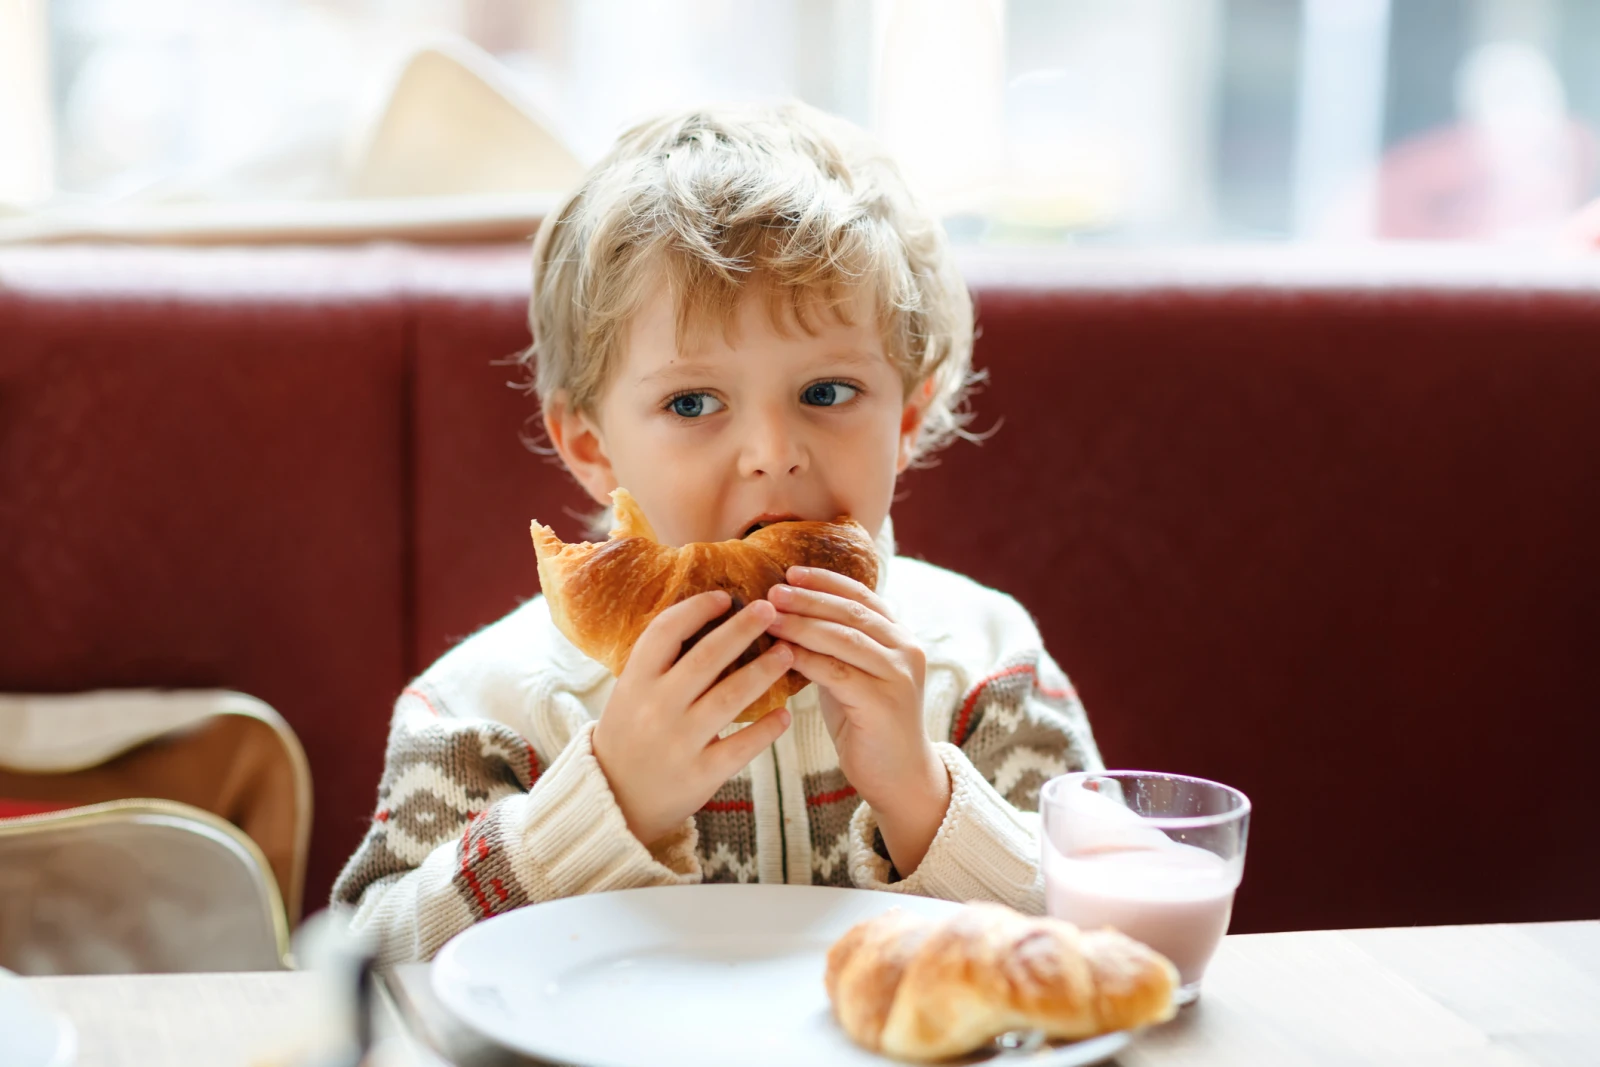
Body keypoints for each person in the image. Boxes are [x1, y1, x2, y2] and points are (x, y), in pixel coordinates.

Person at [331, 102, 1102, 963]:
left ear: (908, 417)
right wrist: (601, 802)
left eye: (827, 392)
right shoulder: (488, 706)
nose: (773, 455)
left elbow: (1110, 946)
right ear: (591, 445)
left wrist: (925, 801)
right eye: (692, 403)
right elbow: (371, 963)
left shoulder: (985, 666)